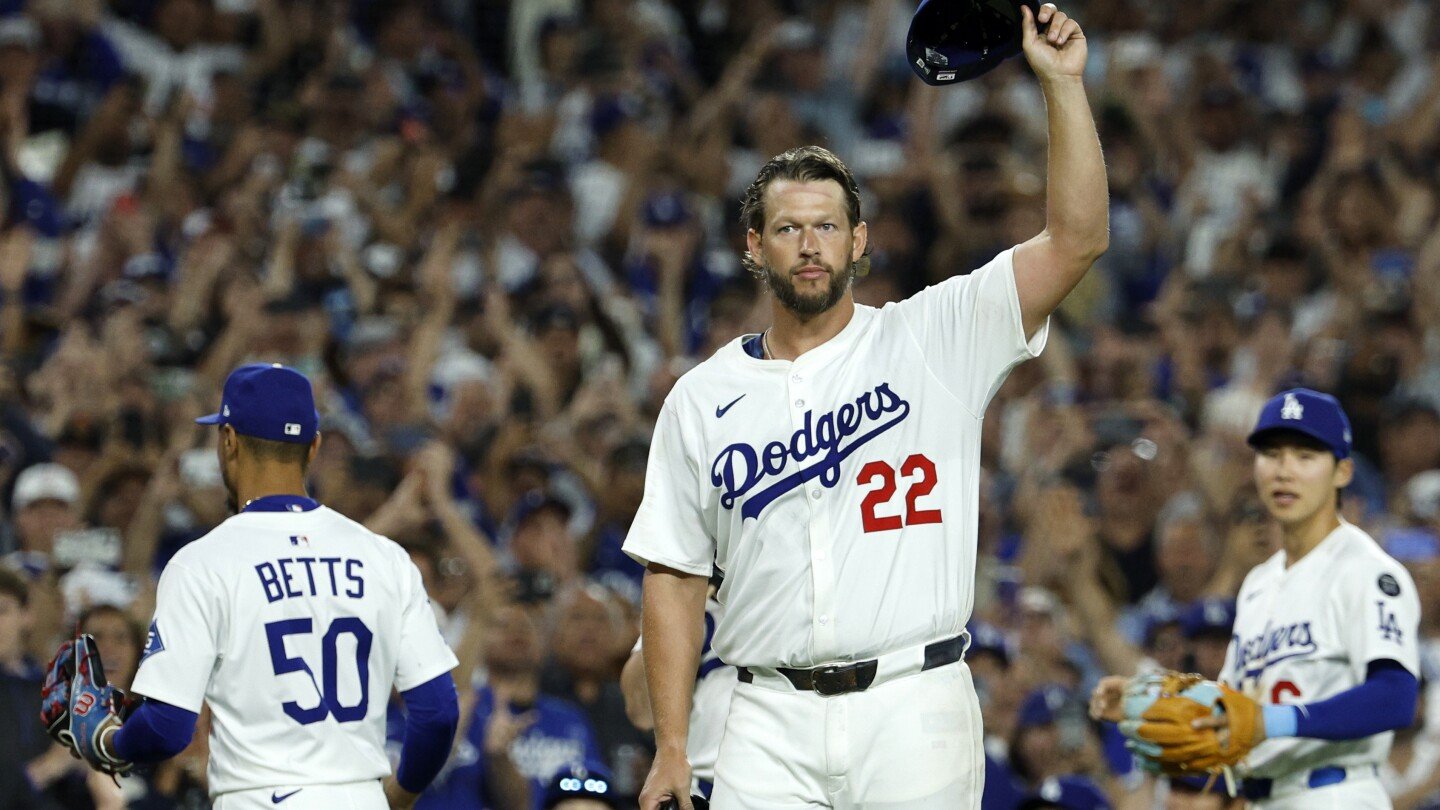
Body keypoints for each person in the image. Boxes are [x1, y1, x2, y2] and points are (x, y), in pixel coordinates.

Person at [624, 3, 1108, 807]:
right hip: (765, 714)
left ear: (859, 242)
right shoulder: (701, 398)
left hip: (914, 704)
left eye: (826, 227)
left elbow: (1076, 239)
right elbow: (673, 581)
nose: (809, 245)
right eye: (787, 228)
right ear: (753, 246)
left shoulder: (936, 334)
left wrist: (1062, 86)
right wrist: (674, 748)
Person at [65, 363, 462, 809]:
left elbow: (167, 727)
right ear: (313, 447)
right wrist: (400, 796)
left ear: (229, 441)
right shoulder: (385, 557)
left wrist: (108, 741)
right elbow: (439, 714)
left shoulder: (203, 562)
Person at [1091, 389, 1422, 808]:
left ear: (1342, 471)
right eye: (1272, 455)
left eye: (1305, 457)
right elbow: (1235, 704)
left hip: (1335, 793)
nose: (1284, 471)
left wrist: (1273, 721)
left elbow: (1395, 697)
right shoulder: (1258, 584)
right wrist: (1148, 700)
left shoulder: (1366, 570)